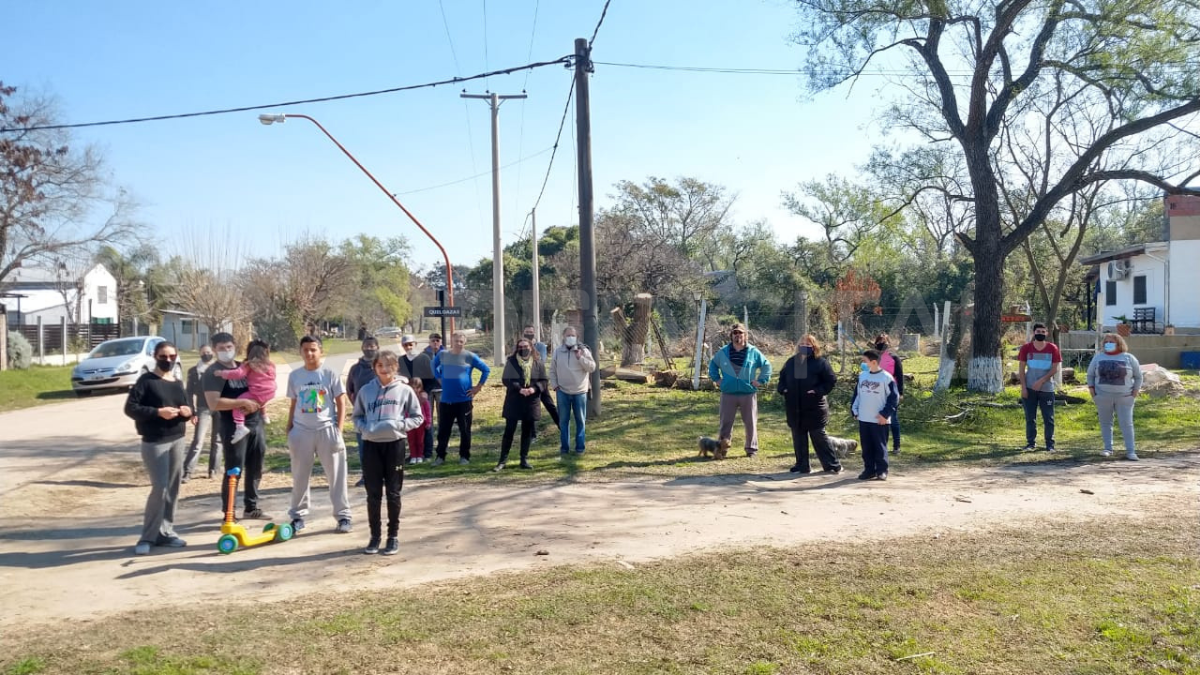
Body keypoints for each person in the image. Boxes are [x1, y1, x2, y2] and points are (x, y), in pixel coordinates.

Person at [351, 350, 423, 556]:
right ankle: (375, 536)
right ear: (374, 367)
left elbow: (417, 417)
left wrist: (399, 425)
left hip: (395, 445)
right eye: (380, 365)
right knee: (373, 494)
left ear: (396, 367)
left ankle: (393, 536)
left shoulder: (404, 390)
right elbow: (356, 417)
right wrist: (366, 429)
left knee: (393, 493)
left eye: (389, 365)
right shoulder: (366, 391)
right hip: (371, 446)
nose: (384, 369)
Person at [124, 341, 193, 555]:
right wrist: (157, 413)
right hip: (155, 441)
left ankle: (166, 532)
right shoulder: (146, 381)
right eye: (163, 356)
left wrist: (187, 413)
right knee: (160, 487)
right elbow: (131, 408)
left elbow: (186, 406)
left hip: (177, 439)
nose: (168, 360)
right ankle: (147, 537)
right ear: (155, 356)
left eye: (172, 356)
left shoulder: (177, 382)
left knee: (173, 488)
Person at [285, 335, 352, 534]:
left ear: (320, 351)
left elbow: (341, 401)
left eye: (313, 349)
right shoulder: (295, 376)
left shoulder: (329, 373)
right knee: (300, 476)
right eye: (305, 350)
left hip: (327, 430)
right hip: (301, 432)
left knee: (337, 476)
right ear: (300, 352)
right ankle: (297, 516)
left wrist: (339, 429)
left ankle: (343, 516)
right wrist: (290, 428)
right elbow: (293, 403)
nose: (309, 353)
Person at [204, 332, 270, 520]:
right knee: (234, 469)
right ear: (214, 349)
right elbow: (213, 403)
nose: (226, 351)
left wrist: (261, 403)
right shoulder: (213, 372)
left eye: (229, 347)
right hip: (233, 427)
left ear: (235, 346)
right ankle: (229, 512)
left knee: (255, 467)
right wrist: (241, 403)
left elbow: (261, 386)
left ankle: (251, 507)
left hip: (255, 423)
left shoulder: (245, 366)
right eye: (221, 348)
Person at [777, 335, 842, 474]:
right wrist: (783, 389)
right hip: (794, 407)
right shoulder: (792, 362)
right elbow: (782, 378)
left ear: (814, 346)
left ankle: (832, 464)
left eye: (808, 344)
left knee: (818, 435)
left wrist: (818, 391)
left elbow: (831, 380)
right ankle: (802, 465)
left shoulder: (820, 362)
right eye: (802, 343)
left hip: (814, 407)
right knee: (798, 436)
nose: (804, 346)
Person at [707, 323, 773, 458]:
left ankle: (751, 449)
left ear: (745, 335)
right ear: (731, 336)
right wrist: (717, 380)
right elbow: (713, 365)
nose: (738, 335)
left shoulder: (753, 352)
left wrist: (760, 381)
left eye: (740, 333)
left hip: (748, 393)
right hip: (728, 393)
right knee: (725, 423)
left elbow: (766, 366)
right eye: (735, 333)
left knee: (750, 422)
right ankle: (722, 449)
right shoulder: (723, 352)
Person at [432, 331, 491, 465]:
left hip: (464, 400)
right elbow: (433, 365)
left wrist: (478, 387)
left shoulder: (470, 356)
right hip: (446, 400)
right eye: (456, 341)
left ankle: (464, 456)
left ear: (465, 342)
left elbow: (486, 370)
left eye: (461, 341)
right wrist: (439, 377)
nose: (458, 344)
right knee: (443, 430)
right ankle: (440, 456)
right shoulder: (443, 355)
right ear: (451, 341)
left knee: (464, 430)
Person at [494, 338, 549, 471]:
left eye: (525, 346)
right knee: (509, 431)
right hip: (514, 400)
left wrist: (534, 389)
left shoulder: (538, 363)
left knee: (527, 432)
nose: (523, 349)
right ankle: (502, 461)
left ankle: (523, 459)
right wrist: (519, 389)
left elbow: (544, 381)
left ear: (531, 347)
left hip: (531, 401)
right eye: (520, 347)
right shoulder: (512, 362)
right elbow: (506, 379)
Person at [1086, 333, 1143, 461]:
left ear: (1119, 343)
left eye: (1111, 342)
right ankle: (1108, 448)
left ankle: (1131, 451)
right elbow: (1090, 375)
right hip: (1102, 396)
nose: (1108, 344)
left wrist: (1134, 393)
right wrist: (1093, 392)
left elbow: (1139, 376)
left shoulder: (1129, 358)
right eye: (1106, 342)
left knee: (1126, 423)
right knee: (1105, 423)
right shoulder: (1098, 357)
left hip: (1125, 397)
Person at [214, 340, 276, 444]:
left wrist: (222, 373)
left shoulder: (249, 364)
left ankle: (240, 427)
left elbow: (238, 374)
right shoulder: (271, 364)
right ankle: (264, 415)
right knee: (261, 400)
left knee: (238, 404)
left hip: (257, 392)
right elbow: (273, 376)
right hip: (271, 392)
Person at [548, 326, 596, 456]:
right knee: (563, 421)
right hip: (562, 391)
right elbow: (552, 370)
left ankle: (580, 448)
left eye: (573, 335)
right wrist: (555, 385)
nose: (570, 338)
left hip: (579, 392)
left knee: (580, 421)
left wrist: (580, 357)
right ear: (563, 337)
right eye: (568, 335)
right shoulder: (558, 352)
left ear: (577, 337)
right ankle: (564, 448)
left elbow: (592, 368)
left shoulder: (584, 350)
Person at [851, 349, 899, 481]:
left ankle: (882, 471)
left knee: (879, 446)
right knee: (866, 447)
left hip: (880, 420)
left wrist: (885, 414)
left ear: (873, 362)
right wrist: (854, 410)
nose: (863, 363)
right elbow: (857, 395)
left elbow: (893, 398)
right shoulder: (862, 376)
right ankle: (869, 470)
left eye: (864, 361)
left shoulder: (886, 378)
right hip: (864, 418)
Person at [1018, 323, 1061, 451]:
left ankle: (1050, 444)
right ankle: (1031, 443)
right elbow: (1021, 369)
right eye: (1038, 331)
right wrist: (1023, 388)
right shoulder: (1026, 348)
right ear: (1034, 332)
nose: (1040, 334)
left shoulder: (1052, 348)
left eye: (1043, 332)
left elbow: (1054, 369)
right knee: (1030, 417)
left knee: (1048, 418)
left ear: (1046, 333)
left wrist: (1041, 381)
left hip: (1046, 389)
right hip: (1029, 388)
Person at [182, 345, 220, 482]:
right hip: (203, 407)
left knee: (218, 440)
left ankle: (214, 470)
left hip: (221, 407)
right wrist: (192, 412)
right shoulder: (194, 371)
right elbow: (189, 392)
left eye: (209, 352)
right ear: (199, 354)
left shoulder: (220, 368)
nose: (206, 354)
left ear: (213, 353)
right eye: (203, 352)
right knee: (198, 440)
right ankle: (187, 471)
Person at [346, 336, 381, 486]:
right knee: (364, 447)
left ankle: (382, 476)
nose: (369, 348)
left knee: (381, 447)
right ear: (362, 348)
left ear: (377, 347)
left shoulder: (382, 366)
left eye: (372, 346)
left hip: (381, 413)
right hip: (362, 415)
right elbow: (349, 390)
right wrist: (357, 406)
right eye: (366, 346)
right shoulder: (355, 369)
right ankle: (366, 476)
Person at [521, 325, 559, 441]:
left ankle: (562, 427)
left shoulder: (541, 346)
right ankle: (532, 435)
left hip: (540, 382)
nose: (529, 334)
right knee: (529, 409)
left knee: (550, 405)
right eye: (527, 332)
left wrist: (531, 349)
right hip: (527, 382)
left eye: (531, 332)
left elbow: (540, 359)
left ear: (534, 333)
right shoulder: (521, 346)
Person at [873, 333, 905, 455]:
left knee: (893, 419)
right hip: (877, 392)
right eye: (879, 342)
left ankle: (897, 446)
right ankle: (881, 445)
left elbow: (900, 376)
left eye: (884, 342)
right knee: (879, 419)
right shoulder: (874, 358)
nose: (882, 344)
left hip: (892, 393)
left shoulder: (894, 358)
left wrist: (900, 393)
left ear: (888, 344)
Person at [421, 333, 445, 460]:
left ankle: (442, 446)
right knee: (428, 420)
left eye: (437, 340)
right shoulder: (424, 355)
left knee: (443, 419)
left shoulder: (446, 353)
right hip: (428, 390)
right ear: (429, 342)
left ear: (441, 342)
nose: (435, 342)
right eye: (433, 340)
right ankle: (428, 449)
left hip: (442, 390)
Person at [406, 377, 432, 464]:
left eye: (417, 387)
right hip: (409, 423)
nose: (415, 390)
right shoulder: (407, 399)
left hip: (421, 423)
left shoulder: (423, 399)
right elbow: (404, 411)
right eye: (412, 387)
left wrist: (428, 422)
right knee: (411, 440)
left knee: (420, 441)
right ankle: (413, 456)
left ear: (421, 388)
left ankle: (420, 456)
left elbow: (428, 411)